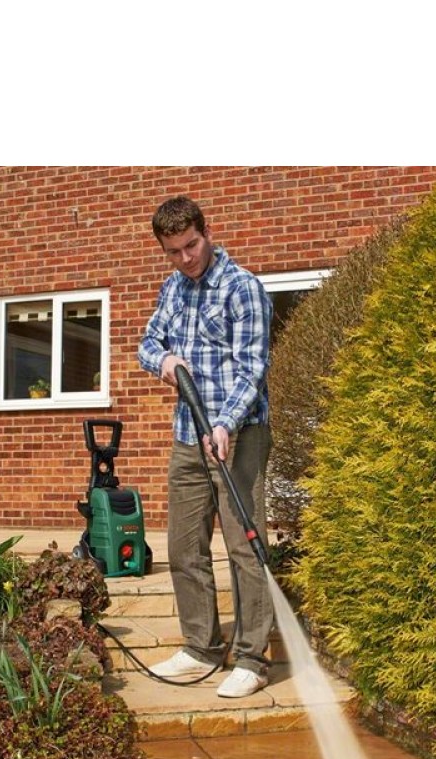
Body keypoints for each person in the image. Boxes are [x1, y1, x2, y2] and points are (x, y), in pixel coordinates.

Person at [137, 196, 274, 698]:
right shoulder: (173, 288)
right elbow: (147, 343)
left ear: (207, 232)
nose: (185, 258)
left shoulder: (242, 288)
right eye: (173, 251)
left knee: (243, 547)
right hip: (186, 436)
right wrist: (164, 362)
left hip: (239, 434)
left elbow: (252, 369)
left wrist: (224, 423)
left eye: (191, 246)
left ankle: (253, 659)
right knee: (183, 545)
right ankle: (201, 646)